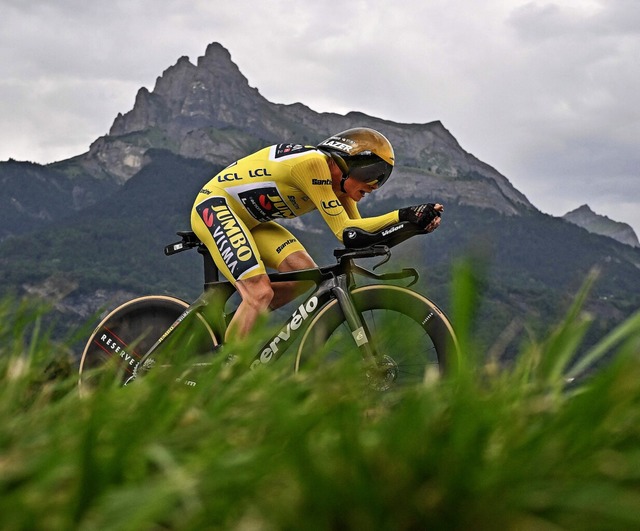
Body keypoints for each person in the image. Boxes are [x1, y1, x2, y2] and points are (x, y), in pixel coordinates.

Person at [191, 127, 443, 342]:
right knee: (259, 293)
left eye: (381, 179)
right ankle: (224, 372)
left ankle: (236, 329)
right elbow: (348, 234)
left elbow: (360, 231)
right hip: (215, 206)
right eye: (371, 175)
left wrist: (414, 225)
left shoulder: (339, 187)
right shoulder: (313, 165)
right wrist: (403, 215)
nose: (374, 186)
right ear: (345, 164)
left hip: (253, 223)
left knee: (303, 276)